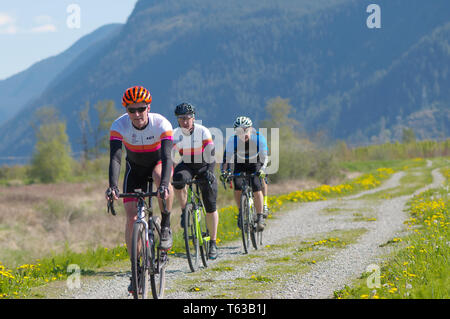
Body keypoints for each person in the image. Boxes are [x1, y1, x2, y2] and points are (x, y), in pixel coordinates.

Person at [105, 86, 174, 292]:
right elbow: (116, 158)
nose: (136, 114)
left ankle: (166, 225)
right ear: (126, 110)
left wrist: (163, 186)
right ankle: (135, 270)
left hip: (157, 164)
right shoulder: (119, 125)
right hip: (134, 169)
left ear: (148, 107)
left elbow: (168, 157)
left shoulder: (161, 123)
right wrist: (112, 186)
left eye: (141, 109)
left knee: (162, 178)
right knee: (132, 217)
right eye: (131, 110)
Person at [171, 102, 219, 259]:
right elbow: (171, 158)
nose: (185, 121)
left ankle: (213, 242)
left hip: (204, 165)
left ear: (193, 118)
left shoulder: (202, 131)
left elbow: (211, 155)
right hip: (188, 166)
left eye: (188, 118)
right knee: (178, 179)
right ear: (178, 120)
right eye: (181, 118)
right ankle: (185, 210)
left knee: (210, 206)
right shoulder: (175, 133)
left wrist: (210, 172)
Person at [221, 116, 269, 231]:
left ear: (251, 129)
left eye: (246, 130)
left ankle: (260, 216)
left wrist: (262, 169)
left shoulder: (258, 138)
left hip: (255, 162)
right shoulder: (233, 140)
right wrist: (224, 172)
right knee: (237, 186)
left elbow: (265, 157)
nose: (243, 134)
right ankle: (241, 213)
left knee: (257, 186)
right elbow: (226, 160)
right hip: (240, 163)